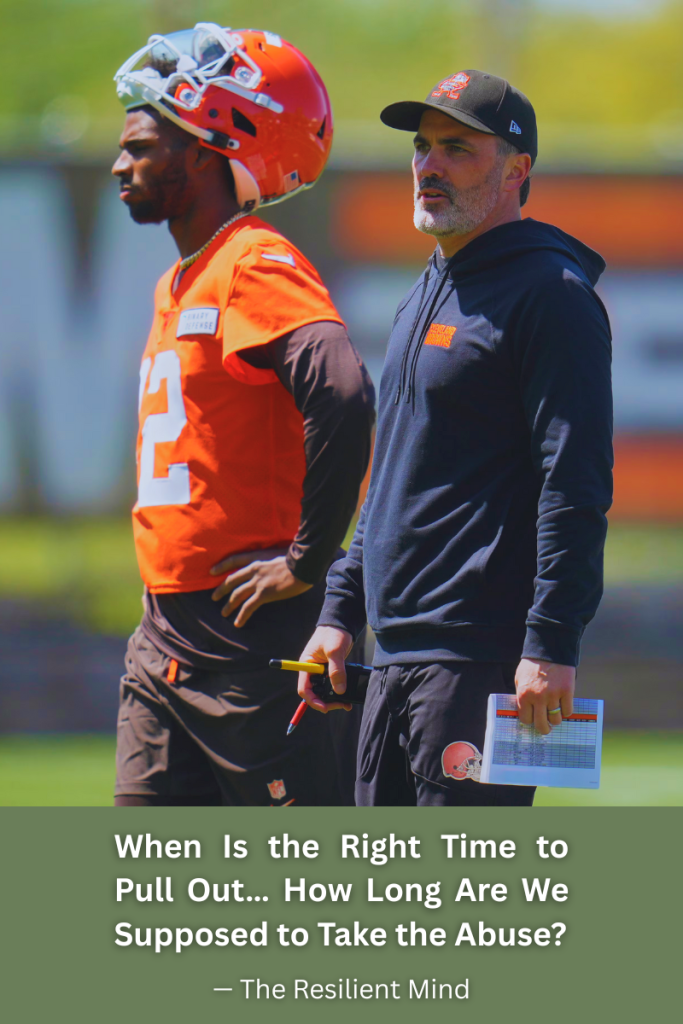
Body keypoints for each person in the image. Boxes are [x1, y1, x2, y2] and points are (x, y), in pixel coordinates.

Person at [299, 70, 613, 806]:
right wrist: (340, 614)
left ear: (517, 169)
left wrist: (549, 644)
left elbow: (574, 482)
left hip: (480, 666)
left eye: (457, 150)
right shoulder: (431, 286)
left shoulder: (551, 295)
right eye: (421, 147)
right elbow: (392, 478)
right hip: (392, 658)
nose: (428, 166)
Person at [111, 24, 374, 807]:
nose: (121, 164)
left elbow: (343, 390)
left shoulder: (251, 259)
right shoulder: (181, 279)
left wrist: (306, 560)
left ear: (203, 149)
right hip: (164, 633)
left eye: (142, 144)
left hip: (250, 639)